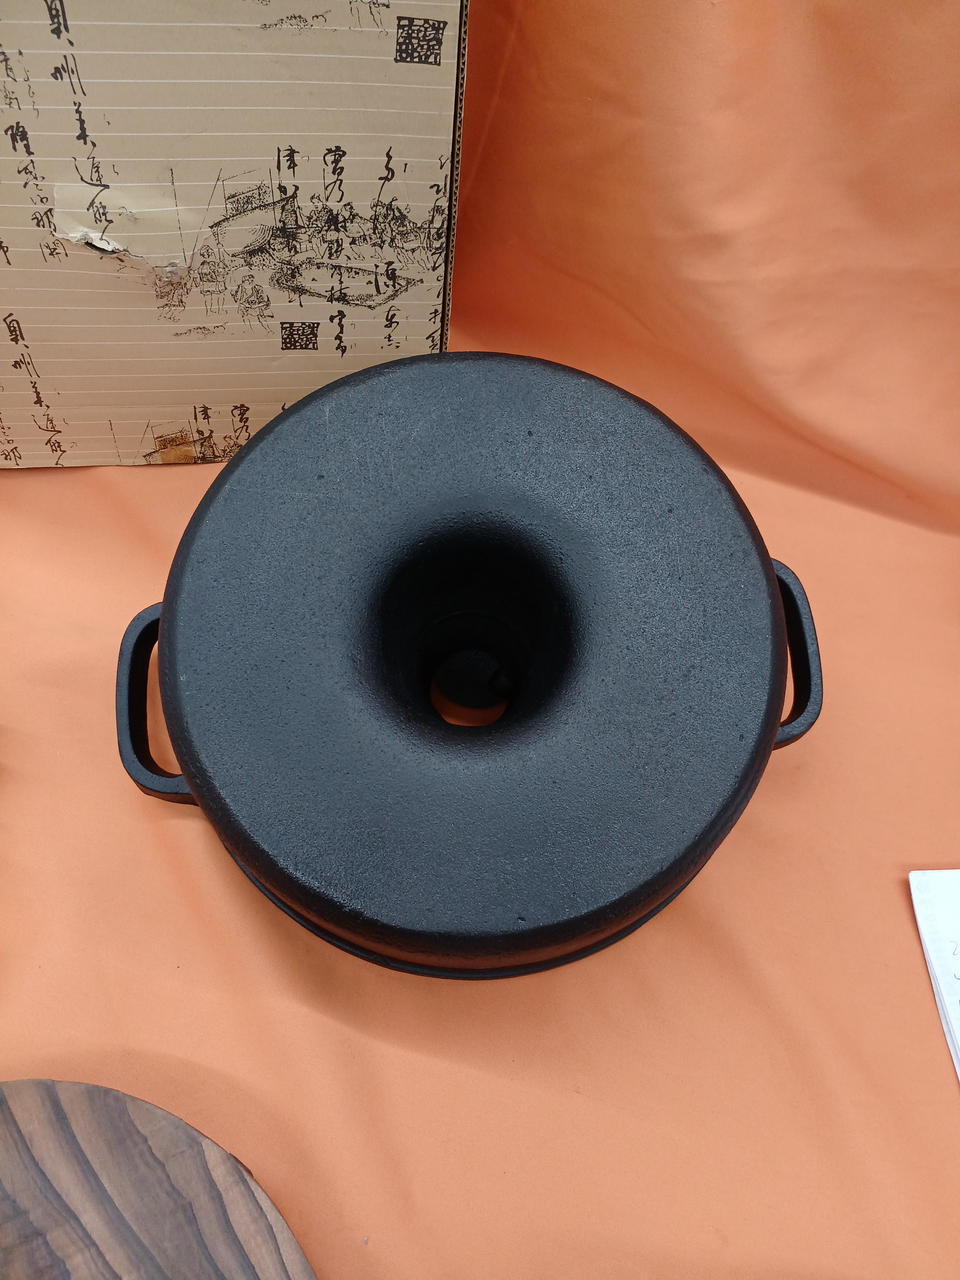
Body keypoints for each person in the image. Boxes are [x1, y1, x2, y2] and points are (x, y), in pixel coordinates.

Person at [195, 244, 226, 316]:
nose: (212, 253)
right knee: (218, 295)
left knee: (210, 296)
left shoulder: (205, 263)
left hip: (208, 282)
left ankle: (211, 311)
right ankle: (218, 310)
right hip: (212, 281)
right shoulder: (209, 263)